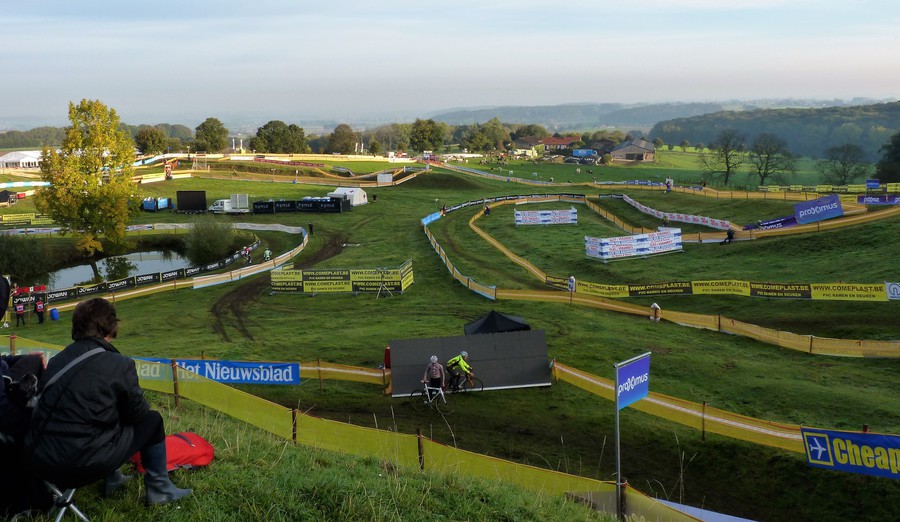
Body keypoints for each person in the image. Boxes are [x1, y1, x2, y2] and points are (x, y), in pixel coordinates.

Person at [26, 298, 191, 505]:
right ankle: (161, 491)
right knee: (152, 420)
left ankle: (114, 479)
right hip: (80, 466)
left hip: (41, 462)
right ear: (110, 326)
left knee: (98, 415)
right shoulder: (119, 364)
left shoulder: (58, 360)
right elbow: (137, 414)